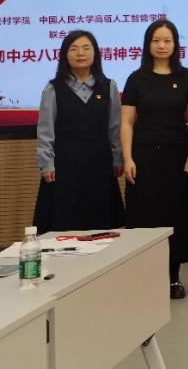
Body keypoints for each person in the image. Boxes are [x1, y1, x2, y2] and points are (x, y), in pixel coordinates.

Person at [121, 20, 188, 300]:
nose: (162, 46)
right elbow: (127, 122)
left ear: (176, 44)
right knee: (144, 215)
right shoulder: (136, 78)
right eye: (156, 40)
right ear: (148, 44)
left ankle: (173, 278)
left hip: (177, 155)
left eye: (167, 40)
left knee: (176, 215)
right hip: (143, 156)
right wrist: (127, 157)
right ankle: (145, 278)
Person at [33, 30, 125, 234]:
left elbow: (115, 128)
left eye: (85, 48)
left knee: (100, 228)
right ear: (65, 55)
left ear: (95, 53)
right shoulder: (53, 89)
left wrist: (118, 159)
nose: (80, 53)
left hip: (100, 164)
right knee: (64, 225)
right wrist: (46, 163)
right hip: (64, 167)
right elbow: (45, 131)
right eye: (73, 49)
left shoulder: (109, 87)